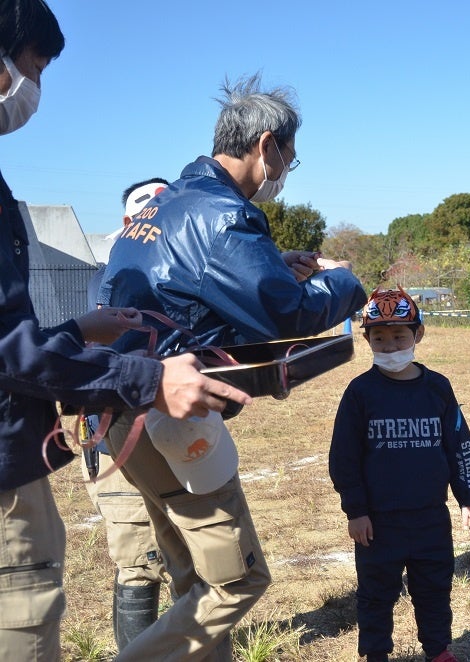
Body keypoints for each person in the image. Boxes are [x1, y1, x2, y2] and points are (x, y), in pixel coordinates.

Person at [0, 3, 250, 660]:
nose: (34, 89)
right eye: (34, 68)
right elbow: (7, 350)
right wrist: (146, 377)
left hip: (81, 421)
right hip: (102, 426)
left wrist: (79, 330)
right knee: (182, 570)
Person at [98, 74, 367, 660]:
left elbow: (184, 287)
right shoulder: (224, 215)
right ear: (267, 145)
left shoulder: (163, 204)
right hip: (173, 412)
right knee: (235, 579)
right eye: (289, 158)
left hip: (119, 406)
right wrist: (344, 284)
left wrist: (271, 262)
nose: (286, 172)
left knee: (191, 573)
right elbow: (285, 312)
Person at [330, 286, 470, 662]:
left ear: (418, 334)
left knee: (434, 589)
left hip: (430, 518)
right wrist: (356, 510)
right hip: (378, 523)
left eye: (399, 336)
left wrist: (469, 500)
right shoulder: (360, 392)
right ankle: (376, 653)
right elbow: (344, 458)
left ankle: (438, 650)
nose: (390, 346)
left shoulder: (438, 388)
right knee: (376, 594)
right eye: (379, 338)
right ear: (367, 340)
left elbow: (460, 447)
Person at [79, 178, 171, 651]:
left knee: (187, 550)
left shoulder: (180, 268)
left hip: (170, 433)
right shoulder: (114, 275)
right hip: (117, 432)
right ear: (127, 223)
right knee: (140, 557)